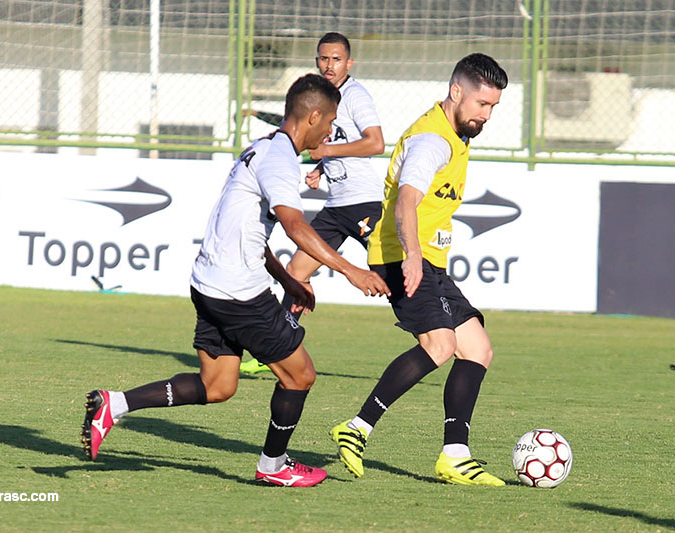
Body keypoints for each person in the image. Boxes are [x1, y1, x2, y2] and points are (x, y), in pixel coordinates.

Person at [81, 73, 390, 487]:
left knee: (218, 384)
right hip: (237, 291)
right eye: (331, 119)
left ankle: (114, 405)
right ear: (314, 116)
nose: (332, 129)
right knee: (300, 375)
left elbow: (246, 228)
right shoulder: (280, 159)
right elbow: (295, 225)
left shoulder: (261, 149)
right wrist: (351, 270)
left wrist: (287, 278)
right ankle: (273, 466)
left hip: (207, 281)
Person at [329, 53, 509, 486]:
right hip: (402, 256)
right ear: (456, 92)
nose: (486, 115)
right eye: (482, 105)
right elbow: (406, 199)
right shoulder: (432, 140)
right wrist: (411, 255)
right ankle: (356, 428)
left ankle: (454, 455)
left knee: (478, 349)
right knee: (441, 344)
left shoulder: (456, 132)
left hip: (429, 260)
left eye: (493, 108)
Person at [240, 31, 385, 375]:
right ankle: (275, 350)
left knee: (388, 274)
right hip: (337, 205)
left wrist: (326, 153)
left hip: (364, 201)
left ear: (349, 63)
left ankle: (437, 329)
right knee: (296, 272)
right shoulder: (322, 97)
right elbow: (337, 140)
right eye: (323, 58)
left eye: (336, 59)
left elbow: (375, 143)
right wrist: (323, 167)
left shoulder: (355, 95)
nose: (329, 65)